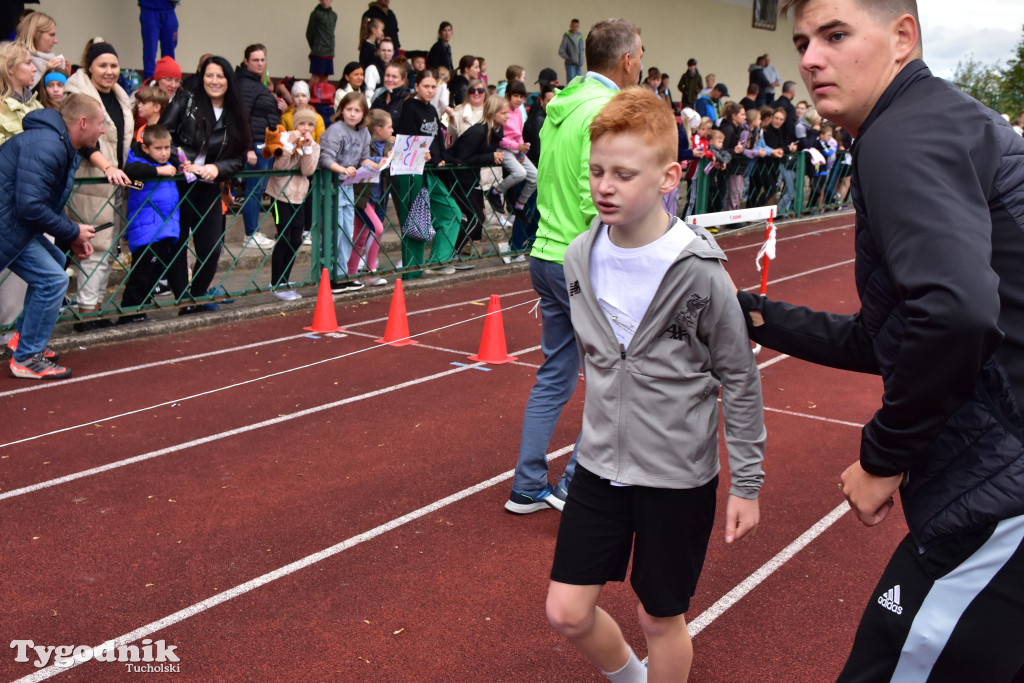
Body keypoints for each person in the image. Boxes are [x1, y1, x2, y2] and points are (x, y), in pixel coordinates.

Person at [745, 1, 1024, 680]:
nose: (810, 58)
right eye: (803, 41)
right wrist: (751, 315)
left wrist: (882, 455)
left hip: (999, 489)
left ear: (903, 37)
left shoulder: (902, 135)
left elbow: (957, 314)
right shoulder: (945, 121)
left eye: (836, 35)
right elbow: (890, 339)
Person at [545, 87, 765, 682]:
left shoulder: (702, 273)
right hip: (598, 465)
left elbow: (739, 378)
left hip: (676, 474)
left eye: (622, 173)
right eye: (596, 172)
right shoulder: (577, 258)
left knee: (658, 618)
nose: (604, 186)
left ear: (669, 176)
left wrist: (745, 482)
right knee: (566, 611)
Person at [505, 18, 644, 514]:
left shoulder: (559, 106)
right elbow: (597, 194)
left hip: (545, 251)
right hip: (582, 258)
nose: (643, 62)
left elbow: (551, 179)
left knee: (556, 373)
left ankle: (527, 486)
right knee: (614, 377)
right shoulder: (606, 110)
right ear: (628, 59)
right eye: (641, 54)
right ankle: (572, 483)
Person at [1, 95, 101, 378]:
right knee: (52, 279)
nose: (103, 130)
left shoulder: (56, 142)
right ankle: (27, 358)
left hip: (10, 221)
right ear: (82, 123)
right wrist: (72, 231)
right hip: (7, 222)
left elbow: (40, 202)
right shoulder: (48, 144)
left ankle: (24, 339)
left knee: (56, 262)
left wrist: (71, 236)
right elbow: (31, 205)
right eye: (99, 123)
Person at [160, 55, 249, 314]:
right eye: (209, 75)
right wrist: (182, 160)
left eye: (220, 76)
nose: (214, 81)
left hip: (209, 185)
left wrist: (216, 168)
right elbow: (162, 135)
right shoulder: (185, 100)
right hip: (179, 182)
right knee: (177, 245)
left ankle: (196, 295)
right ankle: (184, 302)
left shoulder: (235, 113)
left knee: (211, 249)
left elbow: (240, 159)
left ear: (229, 80)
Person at [64, 38, 133, 331]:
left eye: (114, 65)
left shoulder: (119, 96)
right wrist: (106, 167)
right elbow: (78, 142)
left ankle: (93, 309)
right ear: (89, 67)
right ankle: (87, 313)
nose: (109, 71)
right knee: (94, 248)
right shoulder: (75, 94)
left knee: (109, 248)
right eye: (102, 65)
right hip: (89, 181)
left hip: (116, 183)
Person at [392, 69, 461, 277]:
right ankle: (412, 272)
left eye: (433, 87)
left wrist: (445, 158)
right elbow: (406, 142)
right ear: (416, 87)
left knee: (452, 213)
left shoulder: (431, 109)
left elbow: (437, 140)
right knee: (415, 221)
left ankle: (438, 261)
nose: (430, 91)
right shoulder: (409, 109)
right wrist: (424, 154)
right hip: (412, 173)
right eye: (426, 86)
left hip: (430, 172)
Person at [119, 123, 180, 323]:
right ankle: (129, 311)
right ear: (146, 148)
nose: (164, 153)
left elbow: (177, 158)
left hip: (165, 225)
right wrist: (159, 172)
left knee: (155, 271)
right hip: (147, 227)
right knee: (142, 271)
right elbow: (132, 170)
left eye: (166, 148)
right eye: (158, 148)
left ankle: (141, 308)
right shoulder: (138, 161)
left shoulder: (169, 162)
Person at [265, 107, 320, 299]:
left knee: (297, 239)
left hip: (299, 196)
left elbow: (308, 171)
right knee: (285, 236)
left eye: (310, 124)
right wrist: (289, 145)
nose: (305, 128)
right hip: (281, 195)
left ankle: (285, 279)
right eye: (301, 123)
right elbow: (279, 168)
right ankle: (276, 281)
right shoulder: (283, 140)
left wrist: (306, 148)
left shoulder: (313, 145)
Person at [320, 91, 370, 291]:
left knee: (346, 231)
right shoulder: (336, 130)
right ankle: (329, 275)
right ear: (341, 110)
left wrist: (376, 164)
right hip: (332, 187)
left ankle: (342, 274)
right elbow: (325, 159)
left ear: (363, 113)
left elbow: (364, 158)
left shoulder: (364, 132)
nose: (352, 114)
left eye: (357, 110)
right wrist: (342, 169)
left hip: (348, 187)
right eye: (348, 109)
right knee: (333, 231)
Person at [445, 94, 506, 256]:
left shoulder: (494, 131)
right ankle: (450, 252)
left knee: (475, 217)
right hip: (456, 178)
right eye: (503, 113)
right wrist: (490, 156)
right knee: (475, 217)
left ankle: (450, 252)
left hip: (471, 179)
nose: (507, 116)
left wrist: (493, 155)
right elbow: (462, 157)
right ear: (493, 114)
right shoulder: (478, 131)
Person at [235, 44, 283, 251]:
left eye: (263, 60)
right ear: (246, 61)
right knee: (254, 190)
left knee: (258, 189)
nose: (260, 64)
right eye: (255, 60)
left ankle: (253, 232)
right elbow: (242, 117)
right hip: (255, 145)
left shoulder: (256, 83)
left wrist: (277, 107)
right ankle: (251, 233)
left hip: (264, 144)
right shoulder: (246, 84)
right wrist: (247, 149)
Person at [348, 108, 391, 287]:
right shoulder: (366, 142)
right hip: (362, 195)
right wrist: (378, 162)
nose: (392, 131)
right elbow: (361, 161)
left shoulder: (389, 145)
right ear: (379, 130)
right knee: (377, 228)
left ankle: (350, 272)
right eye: (390, 127)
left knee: (361, 234)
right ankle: (369, 270)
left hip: (377, 196)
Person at [489, 80, 536, 220]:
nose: (519, 100)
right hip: (504, 149)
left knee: (535, 177)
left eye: (521, 97)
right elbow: (500, 138)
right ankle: (495, 192)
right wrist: (517, 147)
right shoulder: (503, 111)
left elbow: (519, 134)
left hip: (517, 149)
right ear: (508, 95)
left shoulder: (519, 112)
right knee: (520, 173)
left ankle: (520, 205)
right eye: (516, 96)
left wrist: (522, 149)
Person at [0, 40, 41, 144]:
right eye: (28, 63)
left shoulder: (37, 105)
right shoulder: (1, 108)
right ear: (10, 69)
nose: (35, 69)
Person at [14, 11, 67, 88]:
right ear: (36, 34)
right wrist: (46, 74)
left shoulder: (50, 61)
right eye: (51, 35)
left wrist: (65, 76)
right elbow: (26, 97)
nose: (56, 41)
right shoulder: (16, 60)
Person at [137, 0, 178, 81]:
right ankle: (149, 82)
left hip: (169, 10)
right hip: (149, 9)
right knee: (150, 51)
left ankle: (169, 81)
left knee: (169, 52)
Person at [306, 0, 336, 88]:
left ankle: (320, 99)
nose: (325, 1)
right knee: (315, 78)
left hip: (329, 51)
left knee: (325, 78)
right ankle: (307, 97)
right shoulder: (315, 14)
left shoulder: (333, 15)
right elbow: (309, 33)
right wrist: (315, 47)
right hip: (319, 51)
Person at [558, 19, 584, 83]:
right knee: (571, 82)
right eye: (573, 26)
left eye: (576, 26)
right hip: (570, 64)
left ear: (578, 27)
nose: (575, 28)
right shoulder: (567, 36)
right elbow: (561, 51)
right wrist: (568, 58)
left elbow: (582, 50)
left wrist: (582, 60)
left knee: (579, 82)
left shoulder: (580, 37)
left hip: (578, 64)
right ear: (570, 26)